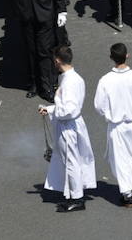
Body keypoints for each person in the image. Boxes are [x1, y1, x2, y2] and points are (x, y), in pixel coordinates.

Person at [93, 43, 132, 207]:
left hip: (117, 126)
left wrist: (109, 115)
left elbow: (99, 105)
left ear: (111, 57)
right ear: (127, 55)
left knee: (121, 160)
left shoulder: (105, 80)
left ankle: (126, 194)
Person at [40, 45, 96, 212]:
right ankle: (73, 194)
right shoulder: (72, 77)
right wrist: (50, 109)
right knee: (70, 161)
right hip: (71, 124)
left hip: (68, 127)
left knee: (71, 162)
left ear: (57, 61)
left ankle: (77, 198)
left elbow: (69, 109)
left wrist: (55, 101)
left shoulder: (69, 82)